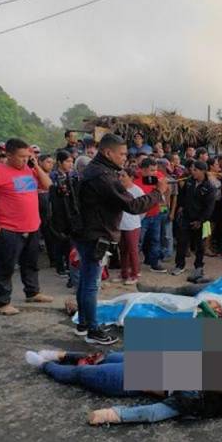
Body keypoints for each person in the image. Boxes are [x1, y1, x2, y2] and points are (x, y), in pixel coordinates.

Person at [76, 134, 166, 344]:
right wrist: (157, 193)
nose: (125, 158)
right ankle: (92, 330)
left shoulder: (97, 170)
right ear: (108, 153)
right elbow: (132, 206)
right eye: (122, 154)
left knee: (86, 281)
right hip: (94, 234)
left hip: (86, 231)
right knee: (91, 284)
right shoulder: (103, 176)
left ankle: (83, 323)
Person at [0, 137, 54, 316]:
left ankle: (32, 292)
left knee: (31, 263)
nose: (24, 160)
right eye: (21, 157)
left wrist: (35, 166)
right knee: (5, 267)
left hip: (33, 226)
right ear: (8, 155)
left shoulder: (29, 169)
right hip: (9, 228)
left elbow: (48, 185)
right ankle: (2, 302)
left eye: (27, 156)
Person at [171, 160, 216, 280]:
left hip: (200, 220)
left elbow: (209, 207)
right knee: (182, 243)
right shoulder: (189, 181)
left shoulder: (210, 187)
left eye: (195, 170)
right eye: (192, 169)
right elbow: (182, 195)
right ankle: (179, 265)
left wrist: (200, 221)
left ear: (202, 171)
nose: (192, 171)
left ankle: (198, 266)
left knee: (200, 245)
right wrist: (180, 207)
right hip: (186, 217)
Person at [116, 167, 143, 286]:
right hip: (120, 225)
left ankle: (135, 274)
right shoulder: (118, 190)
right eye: (120, 176)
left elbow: (143, 208)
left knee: (133, 251)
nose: (120, 178)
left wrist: (137, 219)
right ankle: (124, 273)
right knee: (123, 251)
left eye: (123, 176)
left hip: (132, 225)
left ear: (131, 177)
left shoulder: (137, 190)